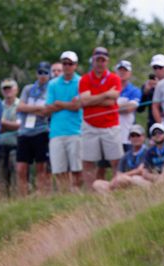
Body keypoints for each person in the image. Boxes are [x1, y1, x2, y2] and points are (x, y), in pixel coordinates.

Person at [79, 47, 123, 186]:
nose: (100, 63)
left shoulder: (114, 78)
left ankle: (118, 187)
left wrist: (93, 98)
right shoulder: (85, 79)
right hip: (90, 126)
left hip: (110, 125)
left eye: (102, 60)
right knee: (88, 161)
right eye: (97, 60)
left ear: (107, 62)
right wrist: (105, 94)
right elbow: (85, 101)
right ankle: (92, 192)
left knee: (116, 160)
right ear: (93, 61)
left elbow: (113, 99)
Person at [46, 51, 83, 192]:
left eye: (70, 64)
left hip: (76, 130)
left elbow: (77, 106)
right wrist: (68, 104)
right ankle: (65, 194)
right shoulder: (53, 84)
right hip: (56, 131)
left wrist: (59, 104)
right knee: (59, 169)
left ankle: (76, 192)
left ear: (75, 65)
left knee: (77, 168)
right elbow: (48, 107)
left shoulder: (81, 81)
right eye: (65, 63)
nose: (67, 66)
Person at [16, 61, 51, 196]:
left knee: (41, 167)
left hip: (41, 131)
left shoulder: (51, 89)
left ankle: (41, 193)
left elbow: (46, 111)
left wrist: (29, 109)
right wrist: (38, 109)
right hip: (24, 132)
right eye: (40, 72)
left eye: (45, 73)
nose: (42, 76)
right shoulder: (28, 88)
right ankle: (22, 196)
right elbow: (20, 107)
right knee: (21, 168)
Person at [92, 124, 151, 193]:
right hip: (124, 180)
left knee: (134, 179)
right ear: (129, 138)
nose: (135, 138)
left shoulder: (148, 152)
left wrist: (123, 176)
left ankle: (114, 192)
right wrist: (118, 178)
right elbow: (118, 172)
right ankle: (111, 197)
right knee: (97, 183)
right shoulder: (126, 155)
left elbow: (140, 170)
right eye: (132, 136)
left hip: (141, 180)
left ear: (143, 137)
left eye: (138, 135)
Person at [0, 78, 20, 196]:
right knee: (1, 179)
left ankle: (18, 200)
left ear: (16, 89)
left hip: (16, 145)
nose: (7, 91)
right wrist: (9, 124)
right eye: (5, 88)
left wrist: (3, 123)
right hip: (0, 147)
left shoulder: (21, 104)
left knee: (16, 177)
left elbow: (19, 125)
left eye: (10, 88)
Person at [116, 60, 142, 152]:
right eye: (120, 70)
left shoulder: (134, 91)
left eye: (125, 70)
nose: (122, 73)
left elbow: (129, 108)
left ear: (130, 73)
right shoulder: (110, 89)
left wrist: (110, 106)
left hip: (127, 136)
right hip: (110, 135)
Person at [139, 54, 164, 128]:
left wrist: (159, 88)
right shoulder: (148, 85)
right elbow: (140, 109)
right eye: (155, 67)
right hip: (153, 126)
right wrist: (145, 93)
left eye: (160, 67)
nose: (157, 70)